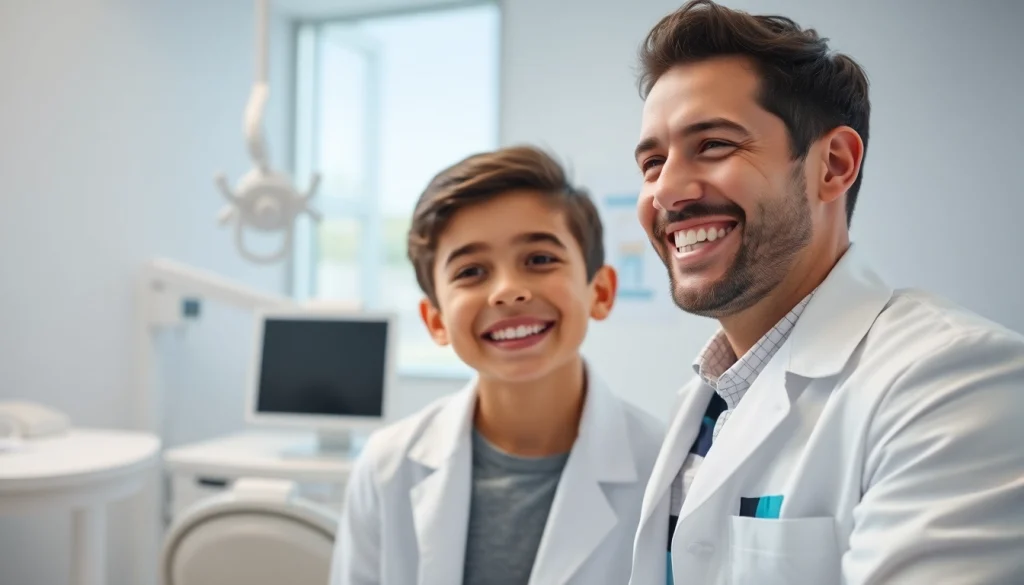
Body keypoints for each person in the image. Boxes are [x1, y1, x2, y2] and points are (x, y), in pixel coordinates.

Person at [626, 2, 1024, 584]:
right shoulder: (704, 402)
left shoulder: (956, 381)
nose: (667, 192)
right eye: (653, 162)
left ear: (833, 165)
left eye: (713, 145)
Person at [329, 145, 666, 585]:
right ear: (436, 321)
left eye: (540, 259)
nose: (507, 291)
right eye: (471, 271)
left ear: (599, 292)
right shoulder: (386, 467)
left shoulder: (667, 468)